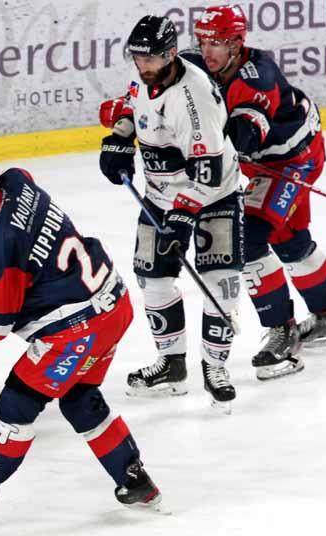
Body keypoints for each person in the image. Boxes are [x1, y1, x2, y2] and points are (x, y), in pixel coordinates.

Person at [0, 155, 165, 522]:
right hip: (113, 305)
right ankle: (134, 479)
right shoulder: (17, 182)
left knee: (16, 404)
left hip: (78, 330)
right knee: (79, 398)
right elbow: (26, 215)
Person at [185, 5, 326, 378]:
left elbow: (242, 139)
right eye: (204, 41)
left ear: (237, 43)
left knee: (248, 237)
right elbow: (151, 90)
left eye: (218, 42)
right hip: (267, 160)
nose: (208, 50)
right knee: (289, 239)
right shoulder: (193, 65)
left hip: (292, 161)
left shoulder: (257, 77)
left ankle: (283, 332)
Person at [98, 15, 244, 408]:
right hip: (160, 196)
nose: (143, 65)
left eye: (150, 58)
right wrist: (120, 138)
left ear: (171, 54)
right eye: (138, 58)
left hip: (214, 195)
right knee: (152, 279)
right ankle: (171, 365)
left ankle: (215, 367)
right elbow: (131, 103)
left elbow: (209, 173)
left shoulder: (193, 99)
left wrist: (184, 216)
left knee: (221, 282)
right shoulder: (145, 74)